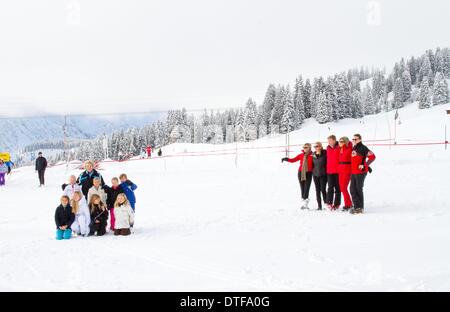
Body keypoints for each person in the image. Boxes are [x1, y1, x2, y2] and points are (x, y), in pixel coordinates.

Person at [281, 143, 314, 210]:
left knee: (307, 188)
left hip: (309, 173)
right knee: (302, 188)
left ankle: (305, 204)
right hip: (301, 173)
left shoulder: (313, 155)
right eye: (304, 147)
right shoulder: (301, 155)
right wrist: (286, 159)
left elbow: (316, 163)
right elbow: (293, 160)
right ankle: (304, 204)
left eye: (306, 147)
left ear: (310, 148)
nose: (304, 148)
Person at [349, 134, 376, 214]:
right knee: (352, 189)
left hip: (360, 172)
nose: (354, 140)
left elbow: (373, 157)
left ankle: (360, 208)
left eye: (356, 139)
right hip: (353, 172)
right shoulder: (354, 147)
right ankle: (356, 206)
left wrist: (365, 165)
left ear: (360, 139)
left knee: (358, 189)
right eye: (353, 139)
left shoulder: (363, 148)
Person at [338, 137, 353, 211]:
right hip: (340, 170)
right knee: (341, 188)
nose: (340, 142)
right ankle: (348, 203)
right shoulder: (339, 149)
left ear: (345, 142)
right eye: (339, 141)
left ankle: (348, 204)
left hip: (347, 170)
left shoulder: (350, 149)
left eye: (342, 141)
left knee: (344, 188)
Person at [326, 135, 341, 210]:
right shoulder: (328, 148)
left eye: (330, 141)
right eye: (328, 141)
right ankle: (329, 202)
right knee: (330, 188)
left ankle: (337, 203)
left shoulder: (339, 147)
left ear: (334, 140)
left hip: (338, 171)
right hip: (329, 171)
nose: (328, 142)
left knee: (338, 188)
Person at [312, 142, 327, 210]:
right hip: (315, 175)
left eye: (317, 146)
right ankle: (319, 206)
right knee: (317, 190)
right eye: (315, 146)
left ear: (320, 146)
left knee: (323, 190)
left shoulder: (325, 154)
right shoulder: (313, 154)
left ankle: (326, 204)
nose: (316, 147)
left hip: (323, 174)